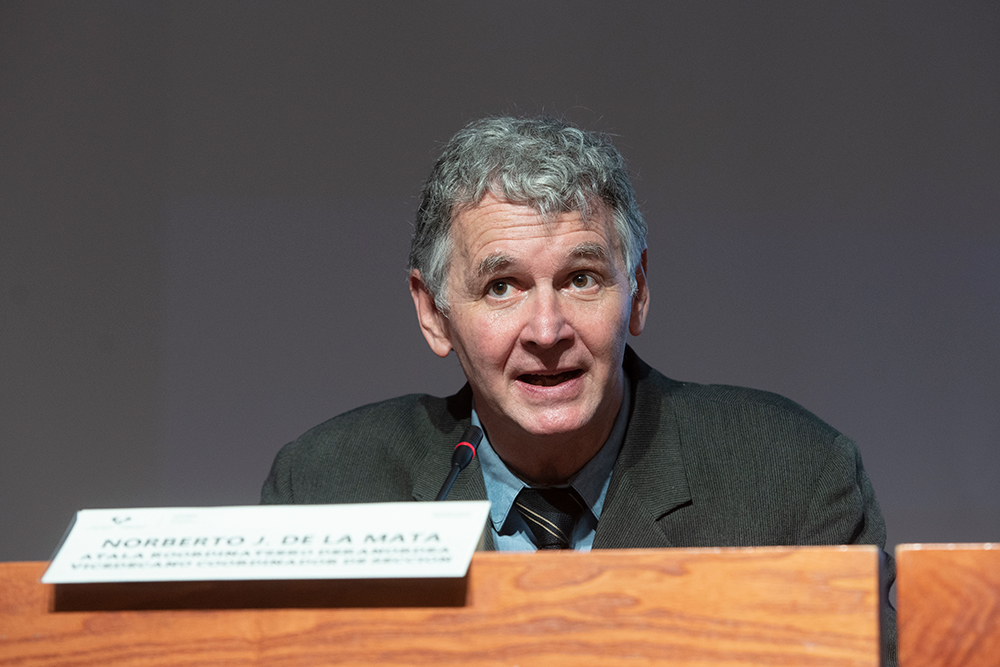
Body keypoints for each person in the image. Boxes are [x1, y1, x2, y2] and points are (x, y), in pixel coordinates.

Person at [261, 115, 894, 660]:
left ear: (636, 291)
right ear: (433, 313)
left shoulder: (792, 479)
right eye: (501, 287)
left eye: (582, 279)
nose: (547, 330)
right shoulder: (325, 491)